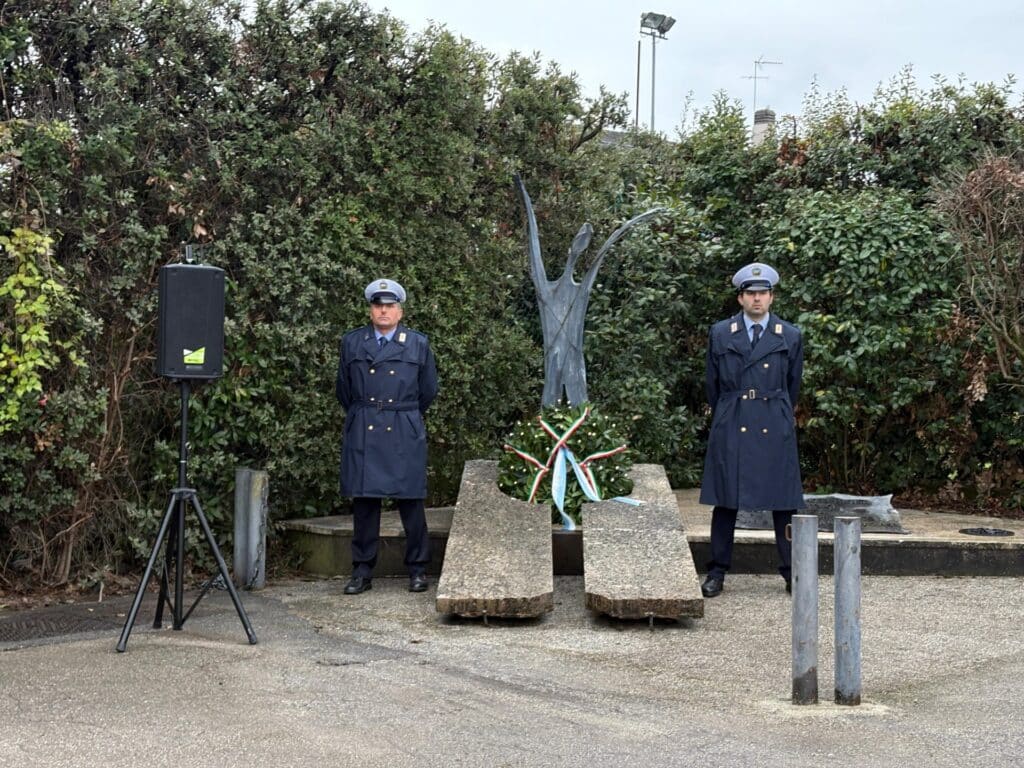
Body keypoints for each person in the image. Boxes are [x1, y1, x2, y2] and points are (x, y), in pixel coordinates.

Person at [698, 263, 804, 598]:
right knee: (726, 501)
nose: (757, 299)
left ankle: (792, 573)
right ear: (741, 298)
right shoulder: (721, 333)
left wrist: (778, 410)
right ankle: (717, 572)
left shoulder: (789, 335)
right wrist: (729, 411)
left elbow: (793, 385)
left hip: (773, 419)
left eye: (763, 293)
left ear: (771, 297)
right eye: (751, 294)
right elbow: (712, 385)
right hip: (733, 418)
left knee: (783, 502)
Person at [336, 278, 439, 595]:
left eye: (390, 305)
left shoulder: (418, 344)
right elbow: (344, 390)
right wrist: (368, 411)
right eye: (378, 305)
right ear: (371, 310)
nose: (383, 310)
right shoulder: (352, 343)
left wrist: (401, 413)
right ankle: (362, 571)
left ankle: (418, 570)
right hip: (365, 422)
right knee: (365, 503)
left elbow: (428, 391)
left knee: (411, 502)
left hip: (403, 424)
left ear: (400, 311)